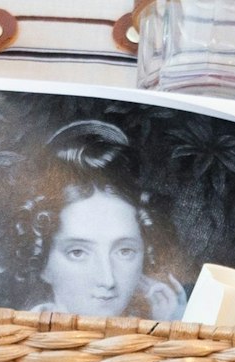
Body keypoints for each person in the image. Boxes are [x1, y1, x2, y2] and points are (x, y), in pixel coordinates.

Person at [21, 120, 186, 320]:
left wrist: (166, 327)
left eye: (125, 251)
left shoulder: (156, 323)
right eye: (77, 252)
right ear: (43, 264)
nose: (108, 280)